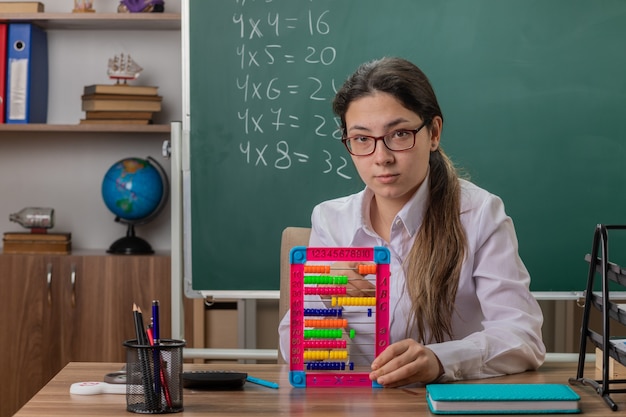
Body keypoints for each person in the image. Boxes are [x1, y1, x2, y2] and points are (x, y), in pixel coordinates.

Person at [278, 57, 545, 387]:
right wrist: (329, 316)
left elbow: (522, 338)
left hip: (446, 404)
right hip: (356, 404)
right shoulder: (331, 221)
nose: (382, 157)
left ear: (433, 133)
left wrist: (439, 360)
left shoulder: (479, 214)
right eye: (362, 139)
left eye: (400, 134)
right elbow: (296, 344)